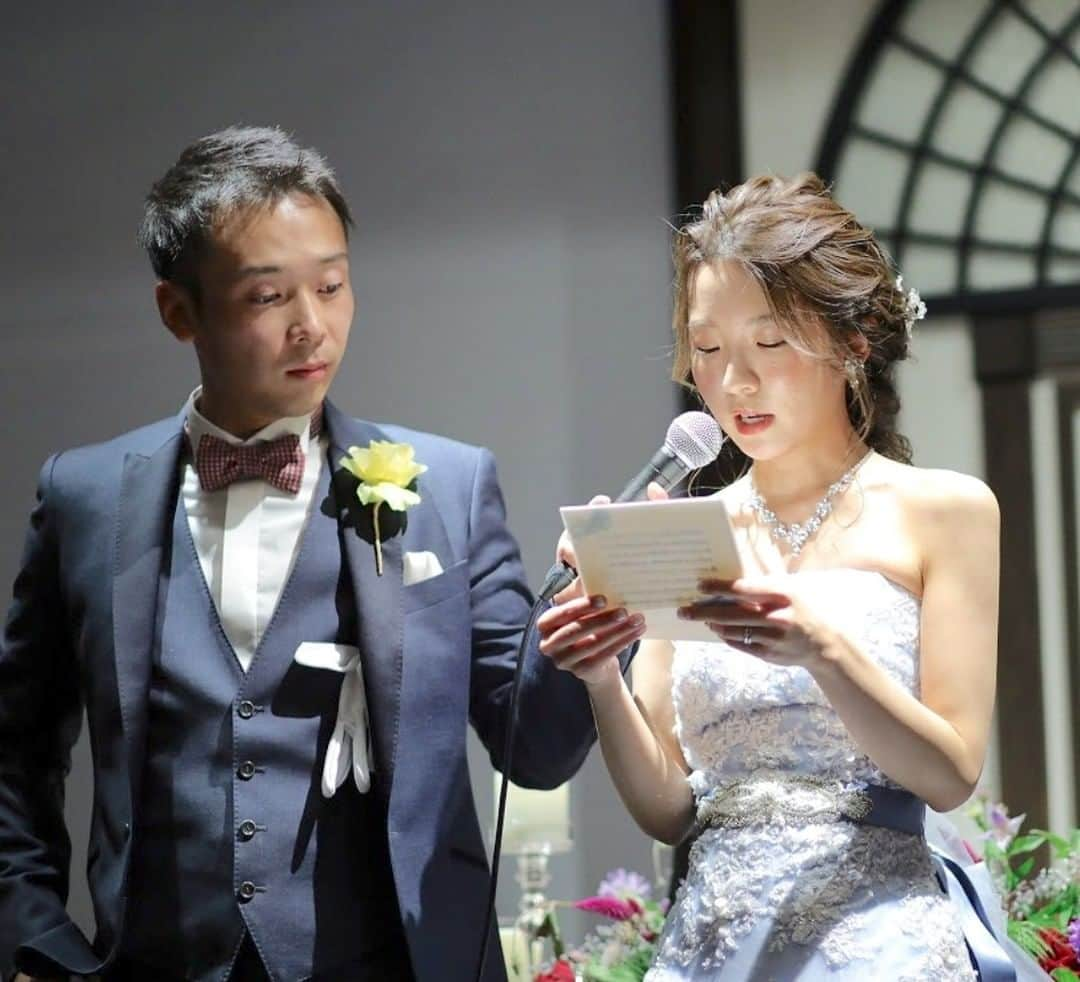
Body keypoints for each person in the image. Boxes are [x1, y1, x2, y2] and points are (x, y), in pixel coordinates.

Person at [0, 125, 608, 982]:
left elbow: (537, 748)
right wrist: (34, 944)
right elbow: (15, 752)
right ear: (180, 312)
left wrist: (593, 619)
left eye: (332, 285)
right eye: (266, 298)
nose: (312, 327)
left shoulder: (450, 489)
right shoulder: (84, 497)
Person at [538, 173, 1006, 979]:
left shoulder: (947, 511)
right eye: (709, 350)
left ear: (853, 340)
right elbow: (669, 809)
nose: (733, 383)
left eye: (770, 344)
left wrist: (826, 649)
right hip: (715, 945)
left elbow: (950, 775)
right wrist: (599, 680)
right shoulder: (685, 528)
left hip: (879, 946)